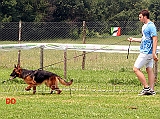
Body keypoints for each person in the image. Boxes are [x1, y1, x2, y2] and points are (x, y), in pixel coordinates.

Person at [127, 10, 158, 95]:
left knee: (136, 69)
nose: (139, 18)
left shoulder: (151, 26)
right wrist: (133, 39)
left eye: (140, 17)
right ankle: (151, 90)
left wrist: (154, 52)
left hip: (147, 52)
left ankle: (146, 88)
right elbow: (144, 39)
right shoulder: (144, 26)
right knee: (149, 69)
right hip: (146, 51)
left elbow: (155, 39)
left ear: (145, 16)